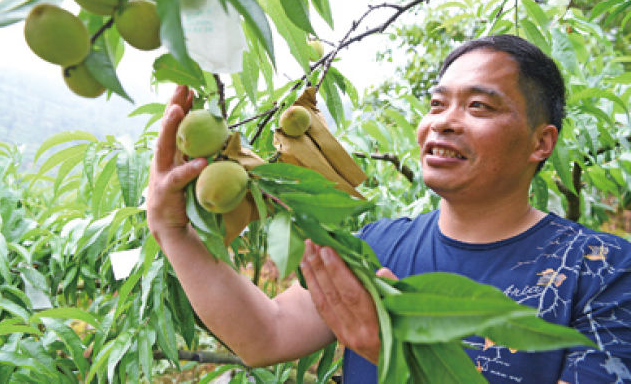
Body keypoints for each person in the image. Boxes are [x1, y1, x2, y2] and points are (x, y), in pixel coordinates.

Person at [147, 35, 631, 383]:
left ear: (540, 143)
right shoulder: (376, 245)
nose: (444, 123)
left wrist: (400, 356)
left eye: (479, 107)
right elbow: (265, 336)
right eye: (437, 103)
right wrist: (173, 230)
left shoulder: (603, 270)